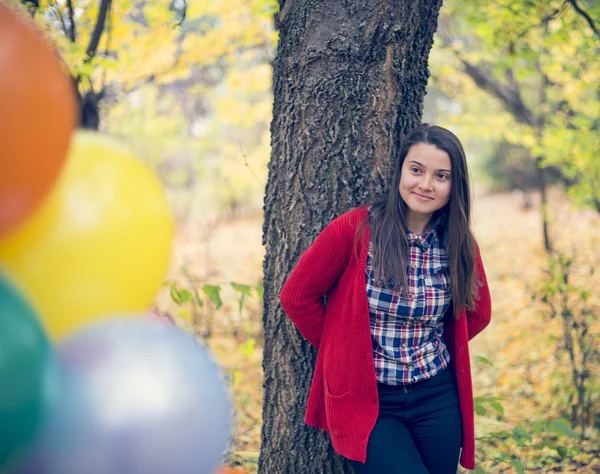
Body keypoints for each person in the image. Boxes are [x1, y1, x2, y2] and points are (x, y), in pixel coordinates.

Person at [279, 124, 492, 474]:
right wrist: (344, 352)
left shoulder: (458, 244)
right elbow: (296, 296)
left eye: (441, 176)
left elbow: (479, 313)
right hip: (370, 402)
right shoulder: (356, 230)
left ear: (455, 186)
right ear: (400, 172)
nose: (425, 184)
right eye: (416, 170)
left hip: (437, 397)